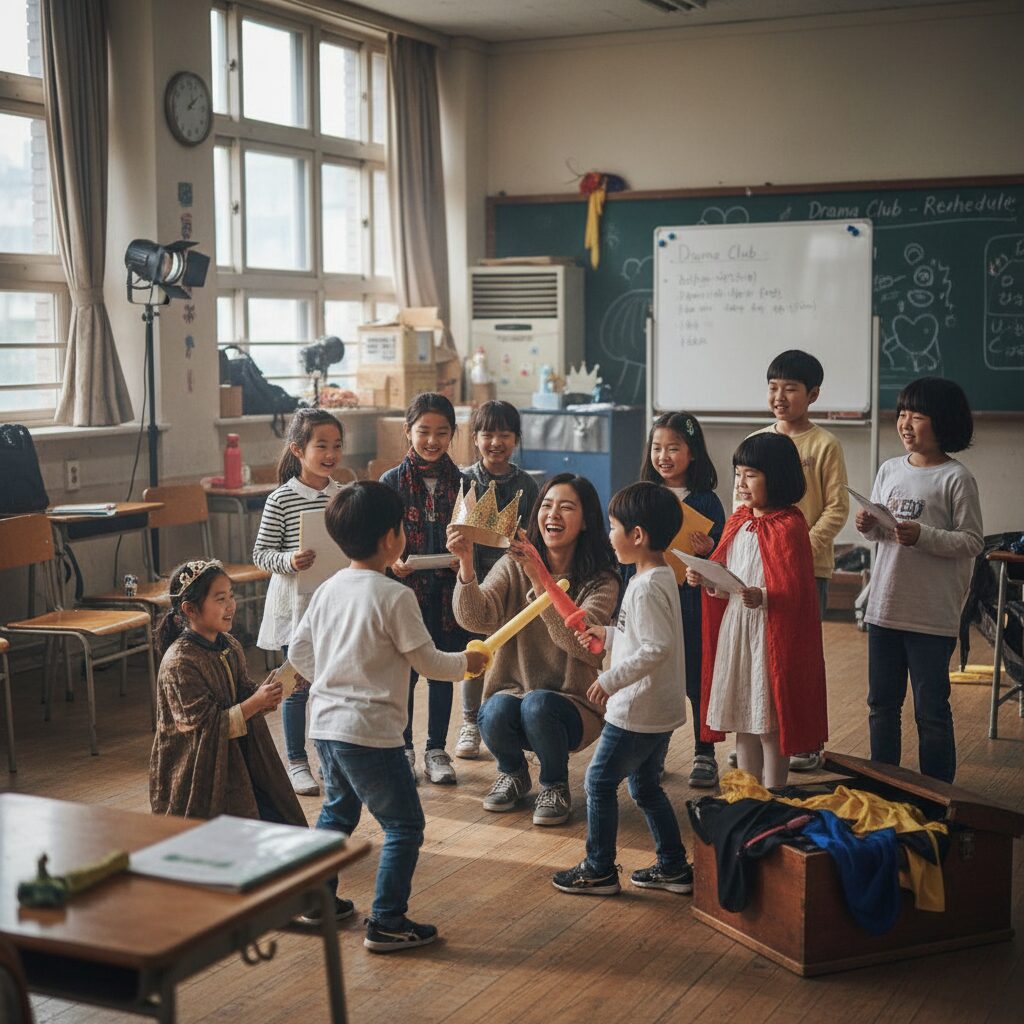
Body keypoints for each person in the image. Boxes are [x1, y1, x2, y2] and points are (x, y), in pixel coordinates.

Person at [289, 482, 488, 950]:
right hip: (371, 735)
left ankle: (314, 901)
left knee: (337, 814)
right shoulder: (395, 597)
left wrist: (335, 680)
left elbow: (299, 653)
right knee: (404, 826)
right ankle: (387, 921)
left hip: (327, 728)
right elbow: (430, 663)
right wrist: (469, 664)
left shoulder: (329, 588)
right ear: (391, 538)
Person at [448, 473, 620, 825]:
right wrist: (466, 563)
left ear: (586, 521)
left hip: (572, 704)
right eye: (547, 505)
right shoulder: (513, 564)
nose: (553, 514)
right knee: (493, 710)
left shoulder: (602, 579)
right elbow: (475, 618)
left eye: (566, 507)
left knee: (539, 704)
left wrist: (541, 579)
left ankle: (555, 785)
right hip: (513, 693)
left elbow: (582, 644)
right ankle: (513, 773)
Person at [552, 482, 692, 896]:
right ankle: (672, 867)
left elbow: (655, 647)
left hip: (636, 710)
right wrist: (609, 634)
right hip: (659, 709)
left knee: (597, 783)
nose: (608, 535)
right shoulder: (659, 575)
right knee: (645, 787)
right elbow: (644, 635)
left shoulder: (645, 586)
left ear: (637, 536)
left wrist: (609, 679)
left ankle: (598, 868)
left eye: (613, 527)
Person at [856, 377, 982, 783]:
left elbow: (972, 541)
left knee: (931, 712)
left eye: (918, 416)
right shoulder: (890, 469)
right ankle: (884, 786)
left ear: (942, 422)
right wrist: (870, 526)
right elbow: (884, 533)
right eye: (902, 414)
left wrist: (923, 535)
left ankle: (939, 796)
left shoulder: (955, 478)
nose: (906, 424)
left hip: (930, 616)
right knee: (881, 705)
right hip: (884, 609)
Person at [688, 433, 828, 791]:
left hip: (769, 636)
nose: (741, 482)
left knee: (767, 718)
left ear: (776, 476)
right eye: (738, 474)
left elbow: (796, 590)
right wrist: (705, 577)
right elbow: (726, 578)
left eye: (751, 474)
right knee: (742, 717)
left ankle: (775, 792)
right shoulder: (739, 521)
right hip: (737, 629)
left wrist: (763, 596)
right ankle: (746, 795)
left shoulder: (790, 525)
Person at [733, 349, 849, 773]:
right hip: (753, 574)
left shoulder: (824, 444)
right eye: (773, 387)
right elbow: (739, 506)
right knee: (756, 659)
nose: (780, 396)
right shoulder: (758, 442)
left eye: (791, 389)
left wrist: (797, 551)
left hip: (805, 570)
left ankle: (802, 740)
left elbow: (836, 509)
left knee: (797, 658)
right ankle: (762, 730)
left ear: (813, 394)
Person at [150, 559, 306, 828]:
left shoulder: (229, 645)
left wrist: (274, 689)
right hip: (198, 770)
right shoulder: (180, 662)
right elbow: (202, 727)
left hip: (241, 759)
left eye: (231, 596)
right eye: (220, 599)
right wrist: (255, 703)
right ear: (190, 609)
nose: (231, 605)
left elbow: (243, 692)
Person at [253, 408, 345, 797]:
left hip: (334, 604)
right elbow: (261, 554)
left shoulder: (342, 495)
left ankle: (328, 757)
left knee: (331, 684)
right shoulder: (282, 499)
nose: (330, 453)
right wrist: (289, 560)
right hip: (297, 605)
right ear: (298, 449)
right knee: (298, 685)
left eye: (337, 445)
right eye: (321, 445)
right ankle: (296, 762)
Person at [380, 393, 469, 786]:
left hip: (449, 592)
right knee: (405, 674)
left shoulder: (464, 481)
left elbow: (476, 537)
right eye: (424, 432)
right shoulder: (390, 482)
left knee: (443, 670)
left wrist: (463, 555)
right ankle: (404, 749)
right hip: (405, 591)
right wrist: (391, 562)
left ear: (453, 434)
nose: (432, 441)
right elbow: (379, 539)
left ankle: (437, 749)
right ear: (408, 432)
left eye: (442, 432)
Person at [638, 410, 725, 788]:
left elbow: (724, 554)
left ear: (693, 453)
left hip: (693, 606)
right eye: (657, 448)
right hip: (655, 604)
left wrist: (711, 550)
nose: (664, 456)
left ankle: (705, 752)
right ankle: (656, 750)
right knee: (657, 679)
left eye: (674, 448)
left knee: (696, 679)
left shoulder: (706, 502)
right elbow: (629, 549)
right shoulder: (642, 497)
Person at [455, 400, 540, 760]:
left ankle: (526, 727)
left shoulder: (527, 484)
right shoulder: (463, 479)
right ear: (475, 438)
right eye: (487, 434)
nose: (496, 442)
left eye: (504, 434)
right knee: (476, 650)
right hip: (474, 578)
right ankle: (470, 722)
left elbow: (536, 534)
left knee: (517, 651)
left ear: (516, 439)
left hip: (516, 580)